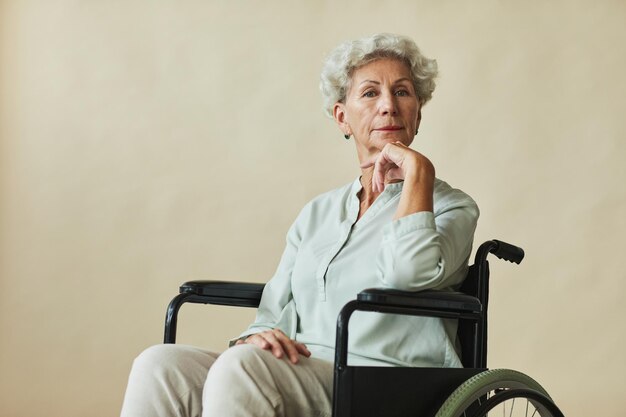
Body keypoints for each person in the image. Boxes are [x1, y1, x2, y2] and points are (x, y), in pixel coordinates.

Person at [120, 33, 479, 417]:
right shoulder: (318, 212)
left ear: (418, 114)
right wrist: (256, 336)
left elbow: (407, 274)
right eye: (371, 93)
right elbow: (275, 306)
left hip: (391, 378)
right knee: (160, 366)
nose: (388, 106)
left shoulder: (451, 207)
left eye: (403, 93)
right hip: (306, 368)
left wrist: (418, 172)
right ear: (343, 116)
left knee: (241, 370)